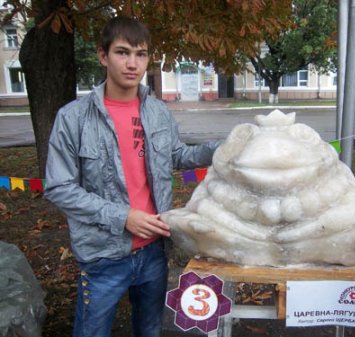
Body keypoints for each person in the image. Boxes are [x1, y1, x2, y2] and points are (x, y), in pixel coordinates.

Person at [44, 16, 219, 337]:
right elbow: (59, 187)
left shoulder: (157, 112)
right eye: (122, 53)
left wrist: (226, 146)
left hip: (154, 250)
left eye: (141, 54)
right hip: (102, 256)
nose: (132, 63)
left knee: (149, 330)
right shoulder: (73, 118)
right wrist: (122, 216)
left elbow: (178, 156)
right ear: (102, 55)